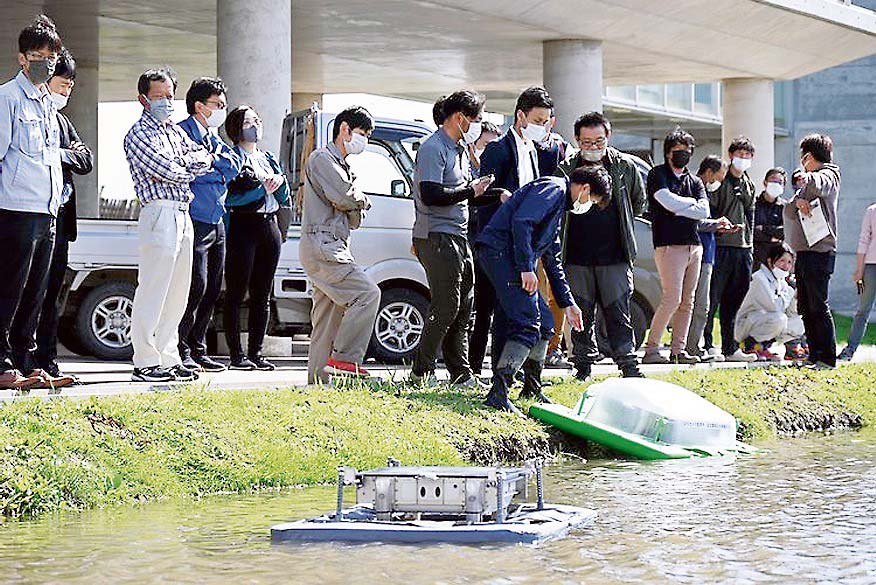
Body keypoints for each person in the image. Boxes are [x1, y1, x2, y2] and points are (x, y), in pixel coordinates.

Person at [476, 169, 602, 413]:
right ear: (584, 188)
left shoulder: (558, 204)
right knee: (527, 323)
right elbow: (522, 221)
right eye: (592, 200)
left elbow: (552, 257)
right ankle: (499, 391)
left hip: (510, 256)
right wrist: (526, 267)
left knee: (545, 323)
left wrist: (568, 303)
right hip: (501, 253)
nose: (588, 205)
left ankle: (532, 386)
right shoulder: (554, 189)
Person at [124, 67, 216, 383]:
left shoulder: (174, 132)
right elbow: (167, 169)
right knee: (154, 285)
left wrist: (187, 164)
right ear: (143, 99)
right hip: (159, 211)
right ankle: (145, 359)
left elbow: (203, 158)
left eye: (169, 95)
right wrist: (188, 165)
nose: (166, 102)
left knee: (178, 289)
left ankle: (167, 354)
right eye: (159, 96)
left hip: (182, 210)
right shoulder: (138, 133)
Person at [410, 90, 493, 387]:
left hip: (458, 235)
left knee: (463, 308)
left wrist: (492, 195)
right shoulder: (434, 148)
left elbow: (462, 197)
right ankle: (422, 372)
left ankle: (461, 374)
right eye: (476, 120)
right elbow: (431, 194)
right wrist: (472, 191)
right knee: (445, 306)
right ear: (459, 118)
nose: (478, 126)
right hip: (436, 235)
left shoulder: (458, 150)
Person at [0, 16, 66, 390]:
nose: (45, 62)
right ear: (22, 58)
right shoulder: (7, 98)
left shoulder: (48, 105)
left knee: (36, 293)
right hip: (14, 210)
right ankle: (2, 362)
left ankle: (27, 360)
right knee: (9, 289)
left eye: (51, 56)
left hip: (47, 210)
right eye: (37, 55)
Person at [470, 86, 554, 375]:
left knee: (512, 310)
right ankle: (482, 371)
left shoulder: (533, 151)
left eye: (546, 122)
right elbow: (482, 192)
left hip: (523, 243)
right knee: (488, 308)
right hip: (496, 241)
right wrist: (502, 195)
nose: (542, 127)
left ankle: (507, 373)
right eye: (538, 121)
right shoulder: (499, 148)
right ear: (521, 116)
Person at [557, 111, 646, 379]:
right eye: (586, 142)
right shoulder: (566, 168)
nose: (593, 147)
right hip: (575, 254)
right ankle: (582, 366)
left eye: (598, 141)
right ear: (577, 140)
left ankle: (628, 365)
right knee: (580, 313)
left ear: (608, 137)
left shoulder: (625, 166)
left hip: (615, 254)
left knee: (618, 311)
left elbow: (638, 202)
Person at [300, 106, 381, 383]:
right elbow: (346, 198)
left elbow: (354, 216)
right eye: (361, 133)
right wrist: (360, 199)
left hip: (331, 244)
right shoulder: (323, 158)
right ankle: (346, 359)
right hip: (324, 245)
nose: (364, 141)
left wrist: (355, 200)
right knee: (367, 293)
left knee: (327, 319)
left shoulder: (343, 166)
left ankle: (318, 384)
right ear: (344, 129)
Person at [34, 48, 93, 383]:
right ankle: (22, 356)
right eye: (62, 83)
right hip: (32, 217)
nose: (66, 91)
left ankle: (48, 357)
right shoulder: (32, 114)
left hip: (62, 222)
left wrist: (59, 155)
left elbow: (86, 162)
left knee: (53, 294)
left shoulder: (64, 121)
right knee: (30, 292)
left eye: (71, 86)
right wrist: (61, 154)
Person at [176, 77, 242, 373]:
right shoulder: (181, 133)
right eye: (217, 105)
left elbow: (233, 166)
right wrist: (214, 167)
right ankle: (181, 348)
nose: (222, 110)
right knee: (194, 286)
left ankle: (199, 348)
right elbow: (191, 171)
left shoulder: (214, 138)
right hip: (196, 218)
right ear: (199, 106)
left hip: (218, 221)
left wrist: (211, 164)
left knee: (213, 287)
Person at [223, 105, 291, 371]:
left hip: (269, 225)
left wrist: (277, 185)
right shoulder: (231, 158)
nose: (256, 125)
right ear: (237, 127)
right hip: (243, 226)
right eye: (250, 121)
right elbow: (231, 198)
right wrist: (260, 190)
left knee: (263, 294)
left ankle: (256, 353)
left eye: (258, 120)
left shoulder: (268, 158)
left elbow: (283, 195)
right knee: (237, 292)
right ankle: (236, 355)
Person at [642, 128, 708, 364]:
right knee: (671, 298)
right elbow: (664, 201)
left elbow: (704, 210)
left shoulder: (695, 180)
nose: (684, 154)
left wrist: (681, 206)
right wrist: (689, 206)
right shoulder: (657, 174)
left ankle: (678, 350)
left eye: (687, 150)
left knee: (688, 300)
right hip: (669, 246)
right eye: (678, 150)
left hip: (694, 246)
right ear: (668, 152)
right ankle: (651, 349)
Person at [784, 133, 841, 369]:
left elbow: (821, 183)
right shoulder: (805, 185)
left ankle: (827, 357)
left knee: (819, 304)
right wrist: (797, 202)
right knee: (805, 306)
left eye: (803, 156)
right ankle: (814, 354)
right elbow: (788, 210)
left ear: (808, 156)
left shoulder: (829, 173)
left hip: (821, 250)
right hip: (804, 251)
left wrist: (807, 176)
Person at [705, 136, 758, 362]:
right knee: (712, 297)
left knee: (734, 300)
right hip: (722, 247)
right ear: (731, 155)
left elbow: (751, 217)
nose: (743, 159)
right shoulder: (721, 181)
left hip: (743, 249)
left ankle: (730, 347)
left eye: (747, 156)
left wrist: (751, 246)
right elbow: (711, 210)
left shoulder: (749, 184)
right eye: (739, 155)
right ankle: (706, 344)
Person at [685, 156, 736, 362]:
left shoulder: (704, 191)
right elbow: (693, 222)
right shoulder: (695, 189)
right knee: (697, 303)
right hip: (698, 252)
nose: (720, 182)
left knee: (701, 304)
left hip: (708, 252)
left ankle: (691, 345)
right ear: (709, 172)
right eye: (719, 177)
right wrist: (716, 224)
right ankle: (690, 346)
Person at [734, 242, 804, 361]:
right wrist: (790, 291)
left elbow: (792, 312)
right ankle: (749, 345)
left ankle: (769, 346)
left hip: (762, 321)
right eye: (782, 260)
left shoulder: (782, 281)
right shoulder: (759, 278)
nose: (785, 266)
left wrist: (796, 296)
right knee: (779, 319)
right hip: (744, 325)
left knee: (799, 322)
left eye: (789, 262)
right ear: (771, 262)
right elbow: (775, 307)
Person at [838, 201, 876, 361]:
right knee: (863, 310)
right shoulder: (872, 210)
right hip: (871, 266)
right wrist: (859, 270)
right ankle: (850, 350)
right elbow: (863, 240)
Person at [753, 168, 788, 270]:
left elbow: (784, 232)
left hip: (776, 258)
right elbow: (751, 231)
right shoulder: (754, 204)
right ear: (765, 182)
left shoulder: (785, 207)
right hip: (756, 257)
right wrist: (770, 238)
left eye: (780, 182)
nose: (776, 184)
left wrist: (764, 229)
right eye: (773, 180)